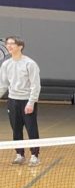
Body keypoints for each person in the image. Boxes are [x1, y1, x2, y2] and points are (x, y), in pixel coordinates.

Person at [1, 36, 41, 165]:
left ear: (20, 46)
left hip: (27, 101)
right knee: (16, 129)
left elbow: (36, 85)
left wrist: (31, 102)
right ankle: (19, 154)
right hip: (13, 101)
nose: (9, 46)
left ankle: (35, 156)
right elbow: (3, 85)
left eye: (12, 43)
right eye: (8, 44)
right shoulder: (6, 64)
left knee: (31, 129)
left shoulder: (30, 64)